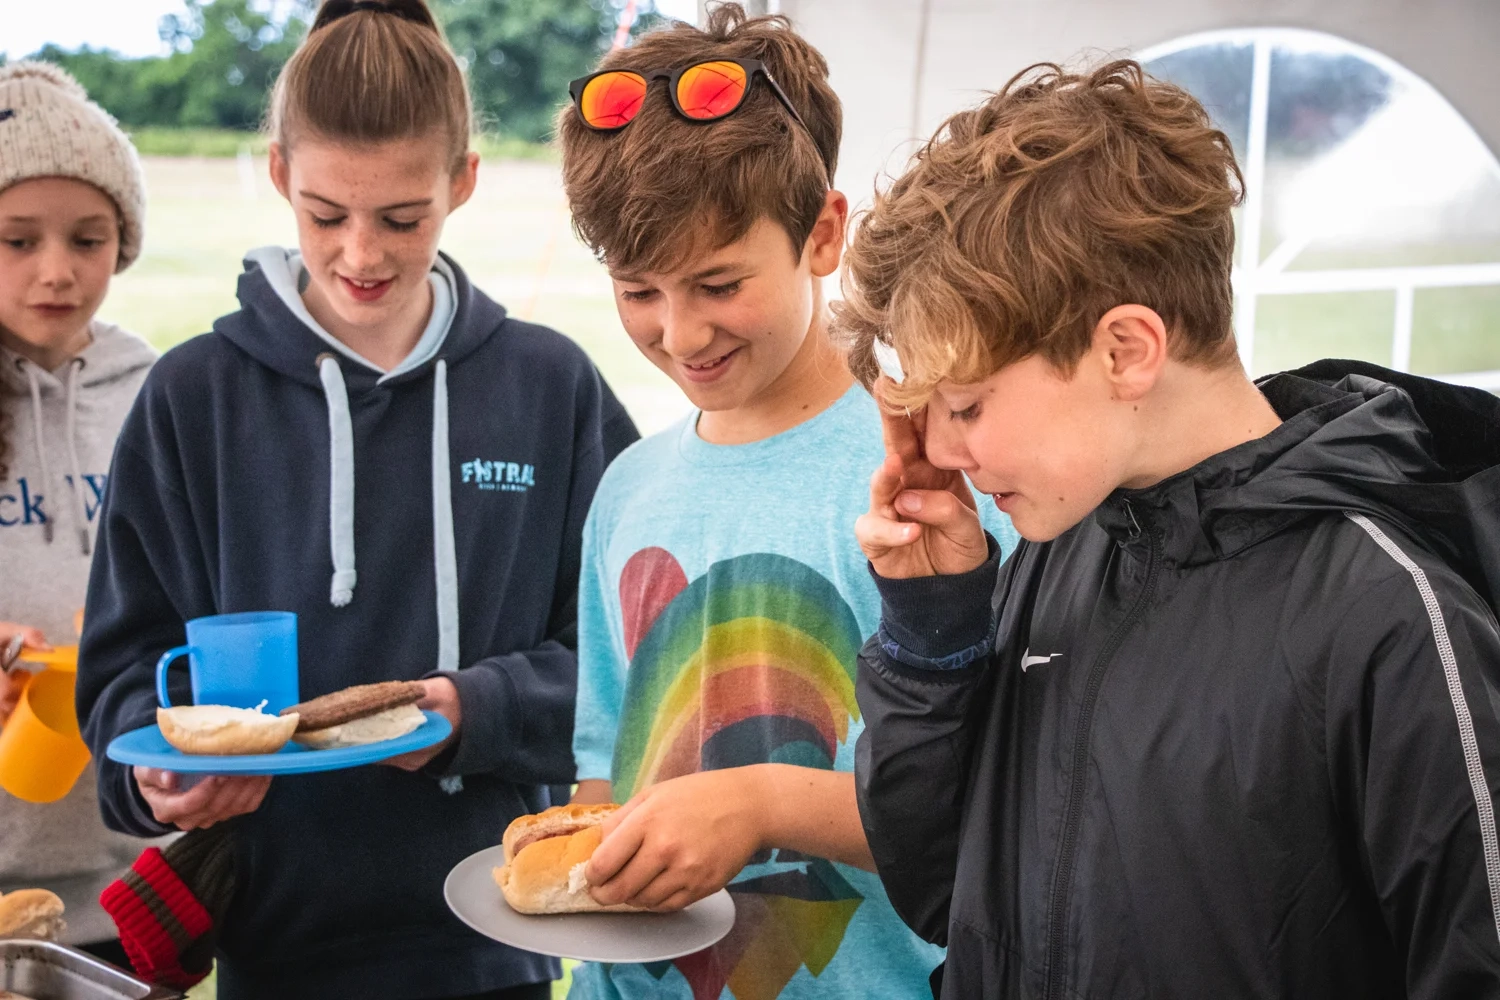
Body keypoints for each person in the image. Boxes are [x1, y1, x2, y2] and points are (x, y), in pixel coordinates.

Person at [837, 59, 1500, 997]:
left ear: (1126, 350)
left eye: (969, 404)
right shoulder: (1056, 550)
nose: (938, 448)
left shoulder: (1389, 613)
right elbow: (943, 893)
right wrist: (934, 625)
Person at [75, 2, 637, 997]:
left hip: (493, 942)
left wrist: (482, 707)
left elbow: (631, 660)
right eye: (328, 214)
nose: (363, 256)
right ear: (282, 175)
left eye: (402, 218)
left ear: (462, 182)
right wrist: (158, 779)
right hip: (269, 949)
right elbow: (123, 675)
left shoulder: (551, 390)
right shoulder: (191, 397)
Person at [557, 7, 1016, 999]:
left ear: (823, 234)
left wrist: (758, 804)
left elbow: (982, 803)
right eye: (638, 291)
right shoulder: (628, 488)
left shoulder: (933, 484)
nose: (679, 335)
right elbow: (604, 761)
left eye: (717, 283)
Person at [0, 59, 159, 963]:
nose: (56, 271)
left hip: (135, 878)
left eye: (87, 239)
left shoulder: (151, 390)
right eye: (18, 240)